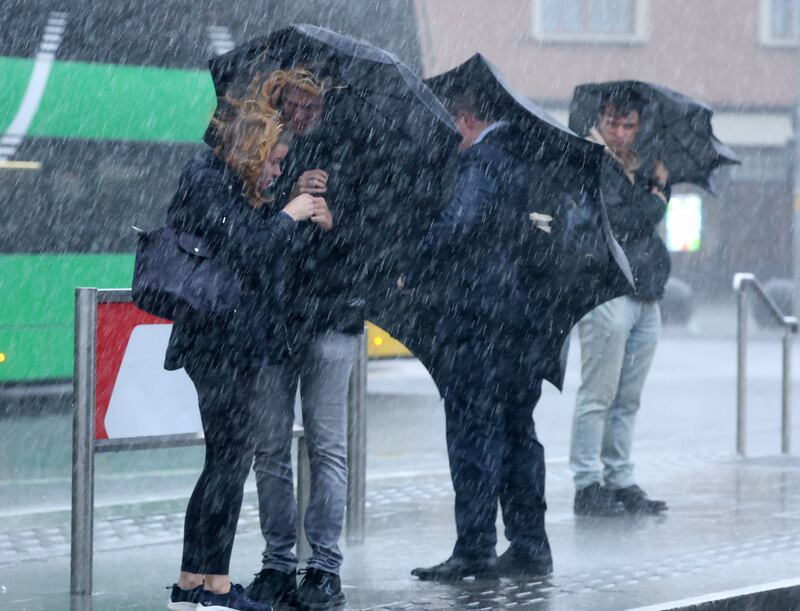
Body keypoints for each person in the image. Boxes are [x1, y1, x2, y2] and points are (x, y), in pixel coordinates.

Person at [165, 93, 329, 611]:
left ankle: (199, 580)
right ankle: (205, 583)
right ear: (254, 150)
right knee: (228, 459)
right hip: (212, 340)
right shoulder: (207, 180)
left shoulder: (234, 186)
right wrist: (287, 213)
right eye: (276, 160)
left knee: (227, 459)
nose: (280, 169)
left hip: (232, 341)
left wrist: (308, 220)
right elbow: (250, 248)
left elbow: (266, 256)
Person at [407, 90, 552, 583]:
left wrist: (415, 266)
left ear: (467, 119)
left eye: (453, 125)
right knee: (516, 434)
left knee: (473, 435)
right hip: (522, 324)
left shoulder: (482, 163)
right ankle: (530, 544)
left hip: (476, 321)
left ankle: (474, 550)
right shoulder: (525, 157)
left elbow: (460, 222)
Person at [245, 69, 359, 611]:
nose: (301, 111)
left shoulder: (357, 151)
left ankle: (324, 569)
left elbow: (377, 241)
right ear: (280, 100)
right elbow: (247, 234)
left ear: (326, 103)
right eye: (293, 101)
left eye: (311, 102)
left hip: (333, 319)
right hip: (274, 320)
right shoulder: (263, 151)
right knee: (269, 447)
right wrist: (285, 201)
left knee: (326, 446)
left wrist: (337, 222)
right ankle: (277, 563)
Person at [570, 87, 671, 517]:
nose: (620, 132)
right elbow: (628, 219)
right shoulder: (589, 160)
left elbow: (643, 221)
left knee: (628, 396)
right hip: (607, 290)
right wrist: (657, 195)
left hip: (645, 291)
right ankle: (587, 483)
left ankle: (620, 478)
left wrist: (657, 188)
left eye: (629, 125)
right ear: (599, 119)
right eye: (613, 122)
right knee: (599, 393)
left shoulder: (637, 168)